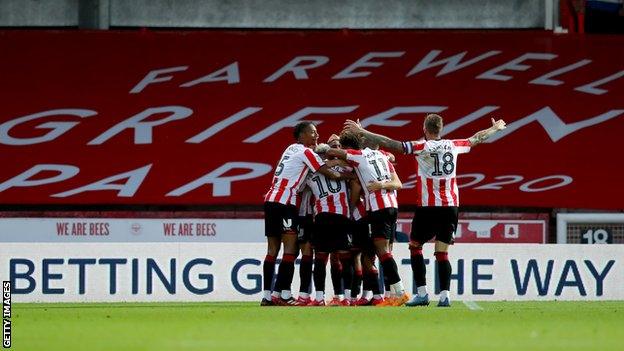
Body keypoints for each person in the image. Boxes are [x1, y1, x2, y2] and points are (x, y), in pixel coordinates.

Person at [343, 114, 506, 307]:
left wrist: (361, 132)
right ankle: (445, 296)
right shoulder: (453, 145)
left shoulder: (422, 146)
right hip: (451, 205)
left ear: (424, 128)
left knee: (415, 246)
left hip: (428, 207)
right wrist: (495, 129)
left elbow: (391, 143)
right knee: (442, 252)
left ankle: (422, 293)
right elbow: (476, 138)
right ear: (441, 129)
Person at [261, 121, 351, 306]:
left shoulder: (290, 149)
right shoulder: (306, 152)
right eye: (313, 132)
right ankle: (284, 295)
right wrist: (351, 176)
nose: (317, 136)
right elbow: (332, 174)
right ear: (302, 135)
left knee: (272, 250)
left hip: (271, 199)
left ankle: (268, 296)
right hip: (286, 202)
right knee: (290, 249)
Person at [326, 132, 408, 306]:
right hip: (392, 206)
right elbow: (399, 183)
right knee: (379, 253)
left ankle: (398, 293)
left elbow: (338, 158)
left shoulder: (358, 157)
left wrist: (325, 154)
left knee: (379, 253)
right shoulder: (383, 156)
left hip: (377, 209)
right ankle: (388, 295)